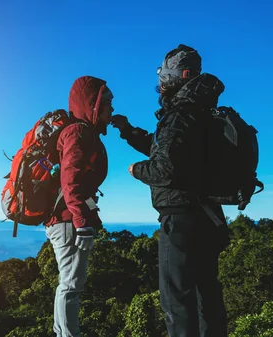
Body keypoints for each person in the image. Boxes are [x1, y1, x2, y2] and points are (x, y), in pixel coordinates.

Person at [111, 44, 230, 337]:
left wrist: (136, 169)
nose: (160, 82)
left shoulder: (180, 116)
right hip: (208, 216)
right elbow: (164, 148)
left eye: (164, 75)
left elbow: (165, 169)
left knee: (176, 302)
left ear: (178, 76)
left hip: (180, 220)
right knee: (207, 298)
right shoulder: (201, 112)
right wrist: (128, 132)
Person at [44, 75, 113, 337]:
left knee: (69, 284)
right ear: (93, 104)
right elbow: (70, 181)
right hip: (67, 221)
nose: (112, 109)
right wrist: (82, 222)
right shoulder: (78, 132)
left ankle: (62, 333)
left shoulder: (85, 133)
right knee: (71, 285)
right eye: (107, 103)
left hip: (68, 219)